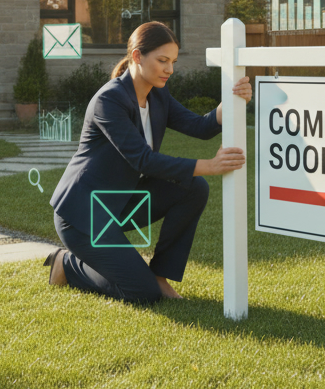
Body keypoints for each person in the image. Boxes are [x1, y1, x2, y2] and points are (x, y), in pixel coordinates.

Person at [44, 21, 251, 302]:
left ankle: (159, 275)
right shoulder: (110, 100)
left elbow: (199, 127)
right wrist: (210, 165)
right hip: (83, 214)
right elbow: (143, 160)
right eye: (163, 60)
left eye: (173, 61)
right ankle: (68, 265)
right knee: (141, 293)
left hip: (120, 203)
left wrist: (233, 100)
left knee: (194, 187)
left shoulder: (158, 95)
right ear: (138, 56)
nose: (170, 69)